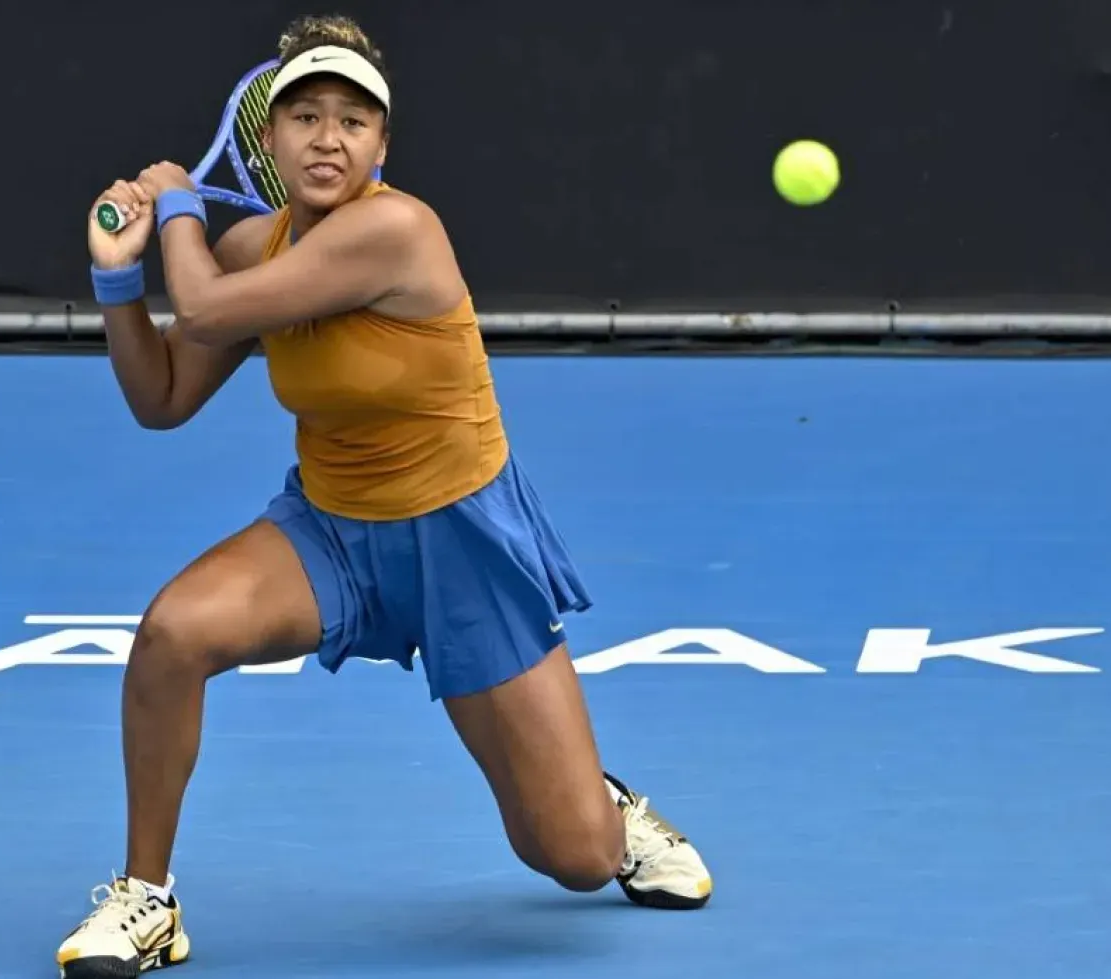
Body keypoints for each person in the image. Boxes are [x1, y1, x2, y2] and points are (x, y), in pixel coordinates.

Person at [58, 14, 712, 977]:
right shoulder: (251, 248)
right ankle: (146, 898)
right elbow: (161, 396)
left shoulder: (399, 230)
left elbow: (197, 303)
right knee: (172, 633)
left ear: (383, 147)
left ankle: (606, 806)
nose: (329, 137)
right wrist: (116, 280)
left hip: (462, 542)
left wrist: (179, 210)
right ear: (269, 141)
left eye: (354, 121)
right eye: (306, 116)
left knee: (570, 856)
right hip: (330, 533)